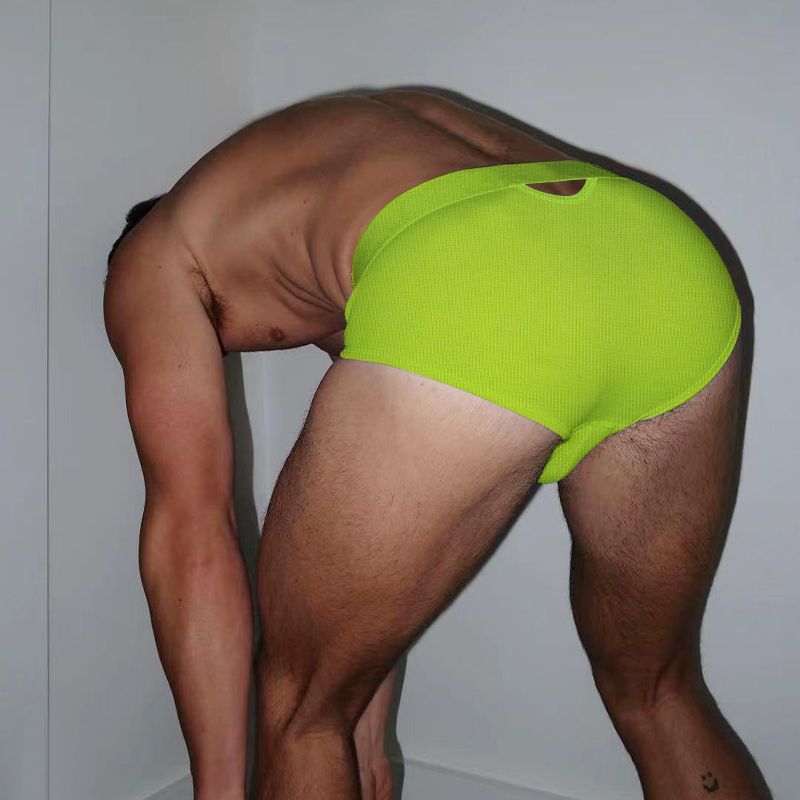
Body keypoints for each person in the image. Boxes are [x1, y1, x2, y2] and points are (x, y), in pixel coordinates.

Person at [103, 87, 770, 800]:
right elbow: (374, 520)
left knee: (299, 713)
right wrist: (366, 730)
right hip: (658, 254)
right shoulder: (322, 177)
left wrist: (218, 789)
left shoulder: (150, 255)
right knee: (660, 690)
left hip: (475, 257)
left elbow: (193, 529)